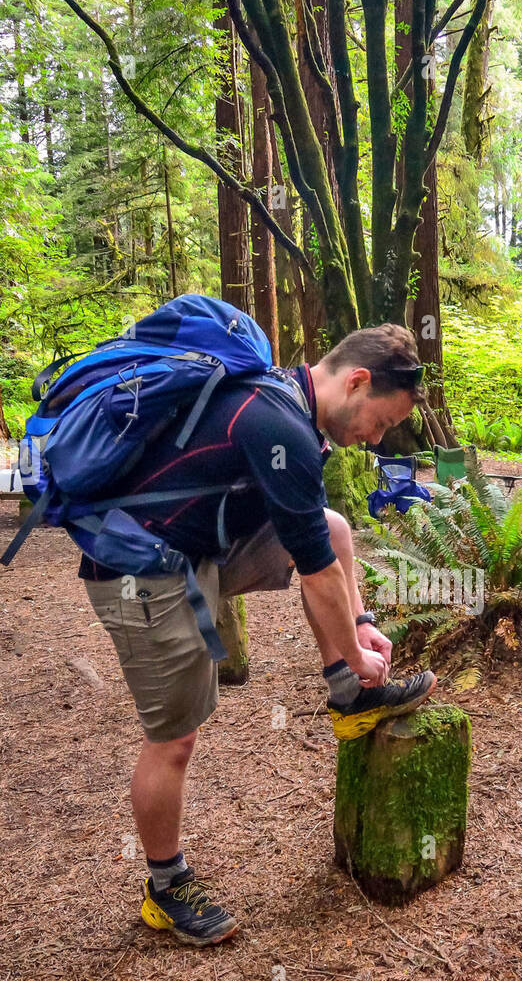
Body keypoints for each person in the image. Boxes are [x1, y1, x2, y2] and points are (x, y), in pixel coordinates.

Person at [81, 320, 437, 946]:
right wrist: (359, 651)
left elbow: (318, 550)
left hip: (199, 548)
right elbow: (319, 579)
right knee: (174, 741)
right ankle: (165, 889)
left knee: (334, 528)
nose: (373, 439)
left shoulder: (286, 401)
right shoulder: (278, 423)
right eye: (380, 422)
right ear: (357, 382)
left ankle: (347, 695)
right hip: (140, 572)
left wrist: (358, 627)